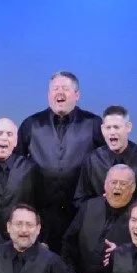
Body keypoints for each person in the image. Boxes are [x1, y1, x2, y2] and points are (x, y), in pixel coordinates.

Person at [17, 71, 104, 251]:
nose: (60, 93)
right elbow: (16, 165)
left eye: (65, 88)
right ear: (49, 95)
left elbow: (107, 163)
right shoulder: (31, 124)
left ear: (77, 95)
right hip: (42, 215)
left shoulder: (94, 124)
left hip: (82, 214)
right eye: (55, 88)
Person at [74, 105, 137, 236]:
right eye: (108, 128)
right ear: (102, 129)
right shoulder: (92, 160)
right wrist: (99, 204)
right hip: (100, 232)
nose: (112, 132)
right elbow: (81, 199)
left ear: (128, 127)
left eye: (116, 127)